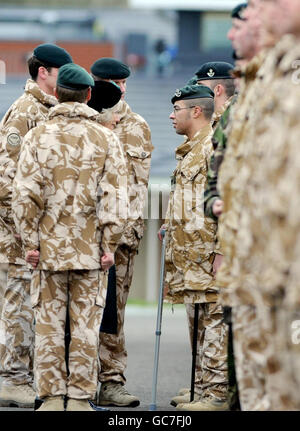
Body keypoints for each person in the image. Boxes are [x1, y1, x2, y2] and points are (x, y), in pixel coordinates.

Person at [11, 63, 128, 411]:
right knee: (86, 328)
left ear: (57, 92)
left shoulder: (36, 136)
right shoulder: (106, 137)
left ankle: (50, 398)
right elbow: (116, 198)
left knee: (48, 326)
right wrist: (109, 245)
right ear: (89, 94)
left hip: (47, 252)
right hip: (91, 253)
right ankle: (78, 398)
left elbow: (24, 196)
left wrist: (30, 243)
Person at [223, 0, 300, 410]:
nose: (265, 12)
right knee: (269, 384)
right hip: (264, 260)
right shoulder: (267, 74)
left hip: (287, 268)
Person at [0, 43, 73, 408]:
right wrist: (21, 227)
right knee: (17, 307)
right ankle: (12, 379)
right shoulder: (26, 111)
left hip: (37, 231)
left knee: (30, 307)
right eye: (61, 72)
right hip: (18, 234)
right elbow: (6, 176)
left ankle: (23, 376)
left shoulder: (50, 110)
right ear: (43, 72)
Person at [159, 84, 229, 411]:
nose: (172, 116)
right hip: (192, 259)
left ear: (196, 111)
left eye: (178, 110)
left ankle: (214, 395)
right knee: (201, 326)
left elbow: (228, 199)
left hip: (209, 257)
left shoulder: (213, 147)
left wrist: (223, 249)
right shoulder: (191, 150)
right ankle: (200, 388)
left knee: (214, 325)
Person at [90, 57, 153, 407]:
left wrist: (125, 234)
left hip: (122, 240)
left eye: (124, 82)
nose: (122, 88)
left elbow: (138, 187)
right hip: (81, 238)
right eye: (113, 81)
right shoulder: (80, 119)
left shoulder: (137, 126)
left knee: (114, 315)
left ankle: (111, 382)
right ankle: (73, 382)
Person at [195, 61, 235, 131]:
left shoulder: (234, 120)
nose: (196, 92)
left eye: (201, 87)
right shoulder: (217, 120)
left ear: (218, 90)